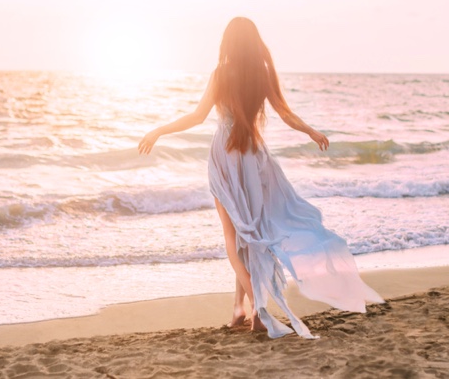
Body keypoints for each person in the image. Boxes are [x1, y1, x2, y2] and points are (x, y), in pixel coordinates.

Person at [138, 17, 383, 338]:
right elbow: (285, 113)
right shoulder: (261, 75)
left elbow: (197, 117)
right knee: (249, 234)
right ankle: (239, 309)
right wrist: (310, 130)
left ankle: (258, 306)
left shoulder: (220, 74)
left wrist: (158, 130)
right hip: (255, 158)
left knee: (233, 237)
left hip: (225, 156)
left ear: (227, 43)